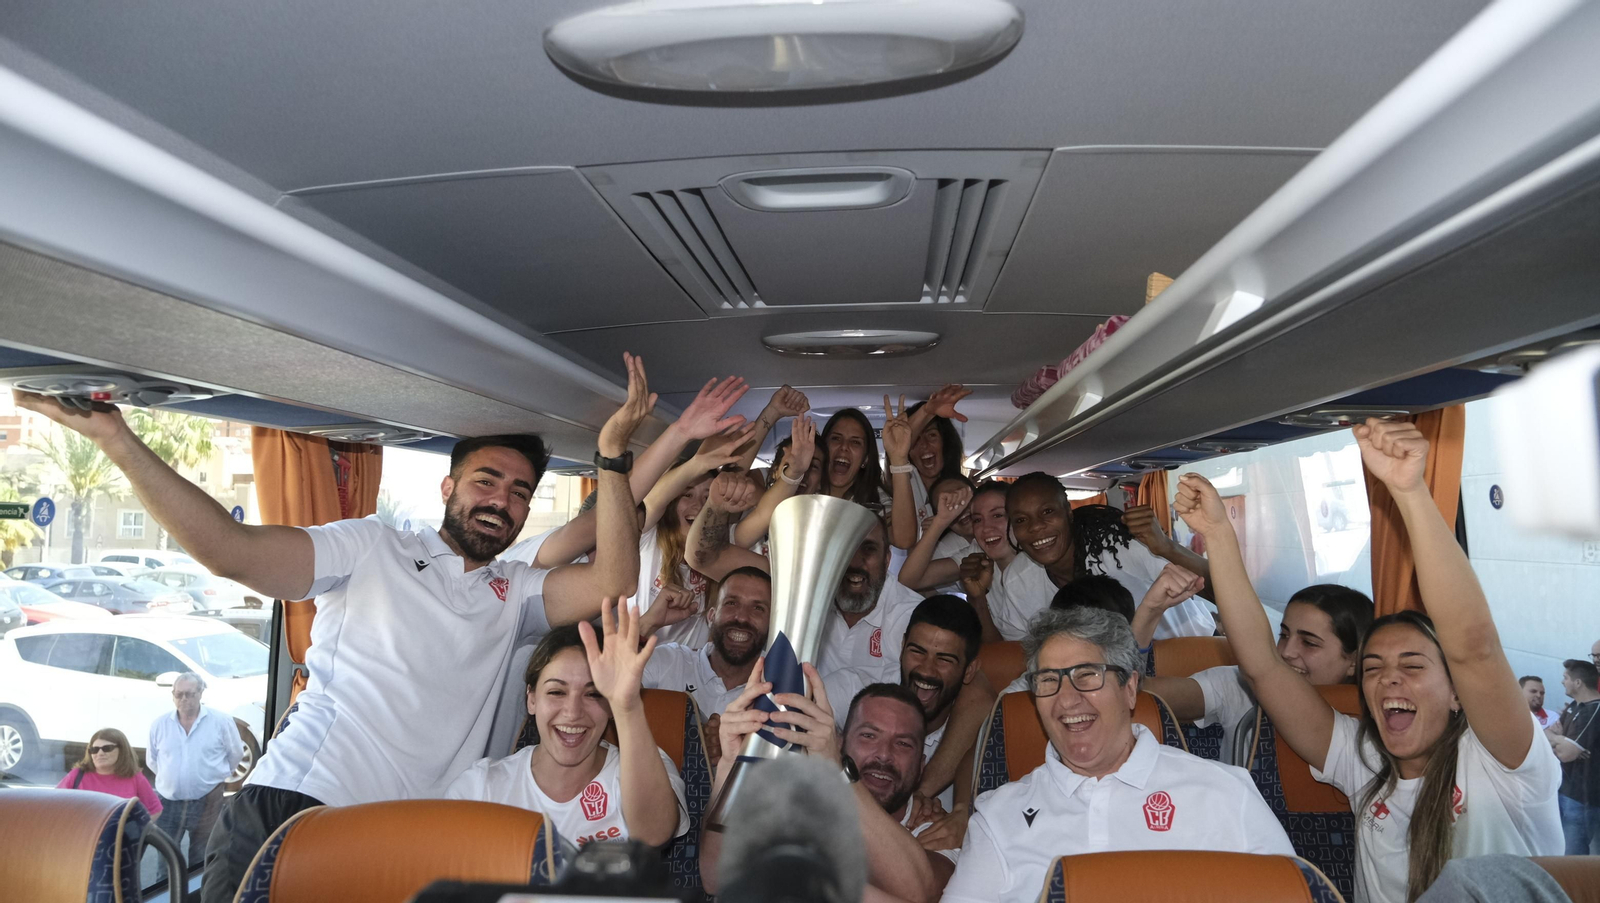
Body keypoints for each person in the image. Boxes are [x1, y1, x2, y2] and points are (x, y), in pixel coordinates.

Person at [15, 351, 654, 903]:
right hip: (299, 806)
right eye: (486, 481)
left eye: (520, 492)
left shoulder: (513, 592)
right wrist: (119, 443)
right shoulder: (373, 547)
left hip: (409, 833)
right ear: (448, 485)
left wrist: (612, 459)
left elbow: (612, 582)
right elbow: (232, 550)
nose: (502, 501)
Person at [1173, 418, 1563, 903]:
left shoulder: (1502, 763)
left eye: (1413, 666)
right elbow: (1264, 668)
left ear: (1458, 693)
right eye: (1374, 667)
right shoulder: (1366, 763)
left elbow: (1475, 646)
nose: (1389, 679)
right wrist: (1217, 533)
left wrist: (1411, 492)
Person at [940, 607, 1293, 903]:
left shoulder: (1223, 792)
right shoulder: (998, 816)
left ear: (1129, 689)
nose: (1067, 699)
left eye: (1087, 675)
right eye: (1049, 680)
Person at [446, 601, 689, 849]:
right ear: (532, 699)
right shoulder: (481, 788)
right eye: (556, 692)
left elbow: (654, 834)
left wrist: (628, 706)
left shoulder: (643, 767)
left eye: (593, 694)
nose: (573, 713)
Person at [699, 661, 941, 903]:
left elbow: (920, 895)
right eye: (868, 736)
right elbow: (715, 877)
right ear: (840, 743)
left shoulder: (939, 831)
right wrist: (733, 765)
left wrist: (839, 772)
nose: (884, 754)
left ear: (922, 765)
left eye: (903, 744)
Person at [1141, 584, 1374, 765]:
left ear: (1353, 661)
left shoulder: (1377, 727)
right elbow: (1141, 692)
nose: (1286, 652)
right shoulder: (1240, 685)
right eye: (1283, 635)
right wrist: (1149, 612)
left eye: (1309, 643)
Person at [641, 566, 771, 736]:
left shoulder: (779, 691)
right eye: (731, 603)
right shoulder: (669, 661)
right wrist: (646, 624)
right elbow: (608, 690)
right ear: (710, 617)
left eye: (758, 608)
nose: (742, 617)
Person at [148, 672, 245, 874]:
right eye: (179, 694)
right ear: (172, 695)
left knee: (200, 860)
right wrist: (173, 781)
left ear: (200, 693)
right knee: (165, 864)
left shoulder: (221, 721)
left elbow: (235, 754)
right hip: (168, 802)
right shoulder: (159, 724)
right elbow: (153, 760)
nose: (184, 699)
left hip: (207, 800)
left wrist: (214, 779)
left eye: (189, 694)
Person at [883, 387, 973, 550]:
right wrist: (927, 411)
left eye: (932, 435)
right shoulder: (904, 480)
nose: (924, 445)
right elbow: (897, 450)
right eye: (916, 440)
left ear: (945, 442)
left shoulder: (960, 489)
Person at [1546, 658, 1599, 854]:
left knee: (1573, 858)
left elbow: (1566, 754)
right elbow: (1546, 735)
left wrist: (1558, 741)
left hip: (1582, 799)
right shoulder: (1573, 707)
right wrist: (1559, 738)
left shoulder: (1595, 710)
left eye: (1565, 677)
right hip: (1563, 791)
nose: (1562, 682)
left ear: (1578, 682)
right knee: (1558, 853)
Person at [57, 728, 163, 815]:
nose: (100, 753)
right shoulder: (77, 774)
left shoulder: (135, 777)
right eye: (94, 749)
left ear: (122, 750)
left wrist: (133, 833)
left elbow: (155, 810)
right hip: (82, 838)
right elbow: (53, 804)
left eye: (107, 748)